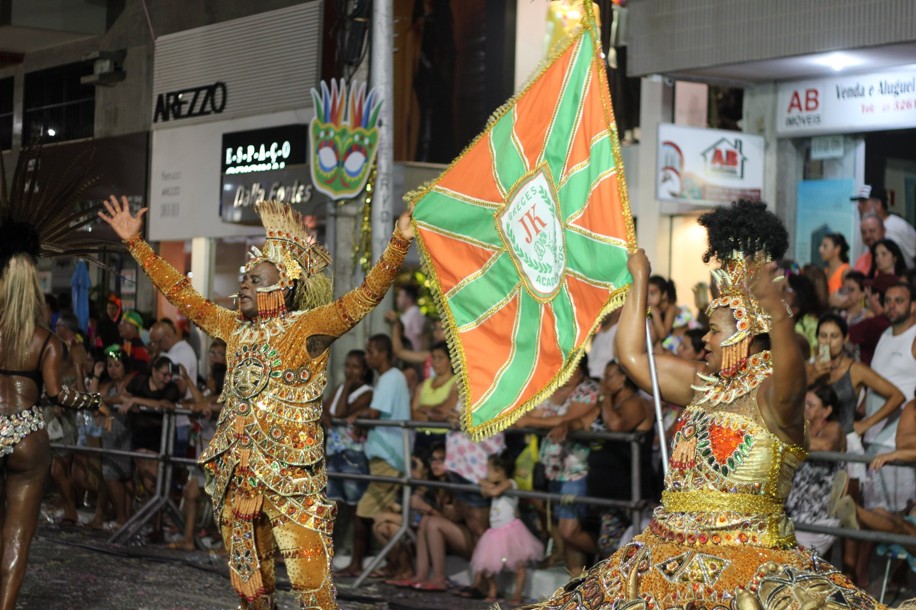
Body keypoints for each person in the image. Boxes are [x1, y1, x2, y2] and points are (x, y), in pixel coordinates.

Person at [527, 200, 883, 610]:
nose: (704, 340)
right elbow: (633, 357)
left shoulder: (773, 397)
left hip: (746, 566)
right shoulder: (703, 385)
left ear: (745, 336)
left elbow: (793, 375)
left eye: (714, 331)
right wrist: (638, 278)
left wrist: (777, 314)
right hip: (661, 555)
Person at [100, 195, 414, 610]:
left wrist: (399, 243)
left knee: (314, 597)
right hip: (239, 476)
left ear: (283, 283)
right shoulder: (233, 328)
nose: (243, 284)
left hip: (292, 482)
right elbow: (183, 295)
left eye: (254, 277)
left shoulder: (307, 327)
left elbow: (364, 298)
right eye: (243, 278)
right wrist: (136, 245)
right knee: (252, 595)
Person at [0, 146, 106, 610]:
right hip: (26, 433)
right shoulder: (47, 338)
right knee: (17, 531)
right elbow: (59, 394)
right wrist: (88, 401)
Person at [341, 334, 412, 579]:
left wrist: (357, 416)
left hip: (388, 456)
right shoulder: (389, 378)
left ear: (382, 353)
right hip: (383, 456)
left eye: (371, 351)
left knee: (364, 510)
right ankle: (395, 565)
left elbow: (375, 412)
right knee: (381, 516)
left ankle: (395, 566)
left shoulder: (391, 378)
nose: (367, 356)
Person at [470, 452, 544, 605]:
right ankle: (493, 588)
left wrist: (482, 482)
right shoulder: (496, 484)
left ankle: (517, 593)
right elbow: (488, 491)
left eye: (489, 470)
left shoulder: (510, 483)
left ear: (500, 471)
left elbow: (493, 492)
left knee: (519, 564)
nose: (486, 473)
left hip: (511, 530)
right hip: (495, 532)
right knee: (486, 565)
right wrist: (486, 484)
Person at [321, 350, 373, 568]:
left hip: (352, 456)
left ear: (364, 370)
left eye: (355, 367)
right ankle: (326, 556)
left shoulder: (366, 392)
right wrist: (326, 412)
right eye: (347, 366)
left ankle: (357, 560)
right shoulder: (341, 387)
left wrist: (348, 385)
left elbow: (341, 412)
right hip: (334, 454)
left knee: (355, 510)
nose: (350, 371)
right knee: (332, 507)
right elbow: (326, 408)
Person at [784, 384, 846, 557]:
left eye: (810, 405)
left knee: (796, 563)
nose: (804, 409)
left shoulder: (834, 428)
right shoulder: (798, 429)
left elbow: (826, 445)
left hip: (819, 518)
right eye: (802, 404)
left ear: (826, 411)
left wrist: (786, 437)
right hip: (792, 514)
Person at [90, 345, 137, 529]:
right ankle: (121, 517)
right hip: (110, 436)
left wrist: (104, 402)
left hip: (126, 433)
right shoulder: (107, 384)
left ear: (124, 366)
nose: (113, 369)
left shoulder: (131, 380)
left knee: (123, 476)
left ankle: (124, 517)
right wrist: (96, 374)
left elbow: (121, 399)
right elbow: (93, 398)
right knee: (111, 475)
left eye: (117, 365)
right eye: (110, 365)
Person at [852, 185, 916, 270]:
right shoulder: (864, 229)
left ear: (878, 204)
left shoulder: (898, 226)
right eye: (859, 203)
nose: (859, 206)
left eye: (863, 202)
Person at [410, 341, 458, 453]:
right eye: (433, 358)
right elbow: (413, 413)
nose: (435, 362)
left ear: (451, 361)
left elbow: (446, 410)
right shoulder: (423, 385)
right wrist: (435, 415)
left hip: (443, 438)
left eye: (440, 358)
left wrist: (424, 410)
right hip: (422, 437)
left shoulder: (456, 383)